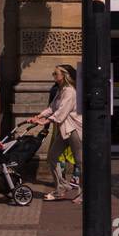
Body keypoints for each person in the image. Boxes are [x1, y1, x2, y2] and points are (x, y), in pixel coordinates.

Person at [30, 64, 82, 203]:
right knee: (52, 157)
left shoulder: (70, 91)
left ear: (64, 75)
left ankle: (84, 193)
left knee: (80, 161)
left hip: (74, 130)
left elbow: (61, 113)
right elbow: (52, 107)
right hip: (65, 130)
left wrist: (45, 121)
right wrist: (38, 116)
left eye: (56, 73)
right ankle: (61, 188)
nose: (53, 75)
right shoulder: (61, 90)